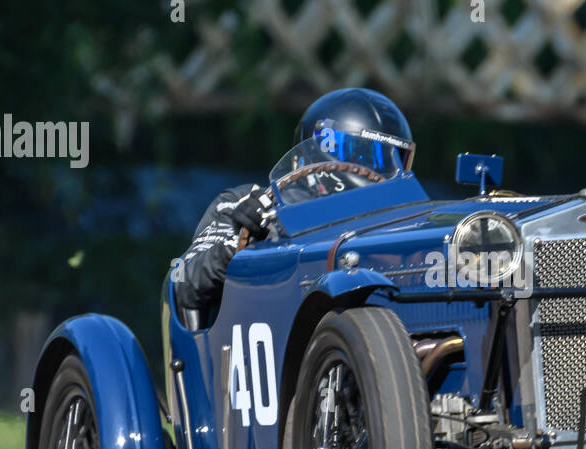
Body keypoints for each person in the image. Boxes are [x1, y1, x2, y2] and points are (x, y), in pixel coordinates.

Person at [174, 88, 416, 319]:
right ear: (321, 149)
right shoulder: (247, 203)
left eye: (396, 158)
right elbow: (182, 280)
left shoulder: (404, 225)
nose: (385, 170)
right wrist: (244, 243)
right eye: (372, 155)